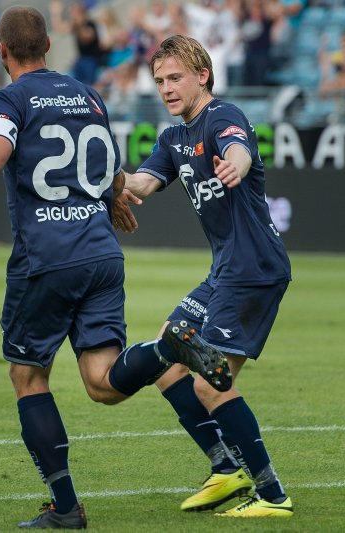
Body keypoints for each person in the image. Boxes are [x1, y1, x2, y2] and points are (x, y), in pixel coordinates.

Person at [0, 7, 232, 529]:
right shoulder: (87, 96)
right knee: (102, 381)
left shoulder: (8, 100)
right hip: (101, 254)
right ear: (48, 45)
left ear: (2, 50)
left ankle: (66, 508)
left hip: (47, 259)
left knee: (27, 375)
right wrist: (111, 199)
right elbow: (106, 166)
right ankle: (167, 349)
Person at [112, 34, 294, 518]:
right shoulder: (173, 138)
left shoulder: (222, 116)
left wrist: (234, 167)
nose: (166, 89)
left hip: (253, 268)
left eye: (175, 78)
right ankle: (225, 468)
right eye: (159, 81)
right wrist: (107, 177)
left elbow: (239, 150)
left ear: (202, 76)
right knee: (166, 356)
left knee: (210, 384)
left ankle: (272, 495)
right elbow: (141, 184)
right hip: (225, 270)